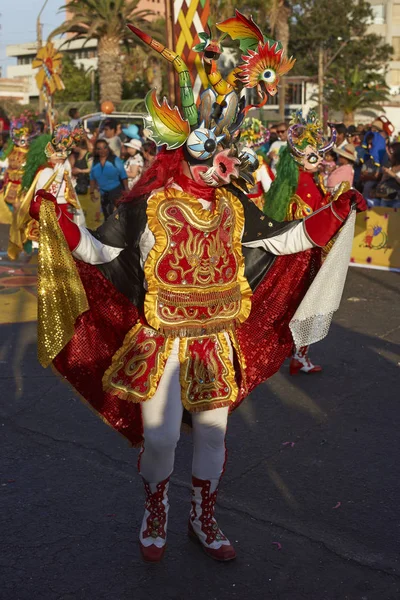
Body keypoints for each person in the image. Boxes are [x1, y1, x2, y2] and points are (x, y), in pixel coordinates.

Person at [29, 14, 366, 565]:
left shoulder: (235, 206)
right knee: (161, 440)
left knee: (214, 437)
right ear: (179, 156)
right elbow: (98, 253)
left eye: (219, 156)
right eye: (205, 156)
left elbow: (285, 241)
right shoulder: (146, 208)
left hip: (215, 338)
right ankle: (155, 509)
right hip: (163, 340)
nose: (218, 165)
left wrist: (336, 212)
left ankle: (203, 518)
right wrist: (60, 222)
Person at [264, 110, 350, 375]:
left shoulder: (302, 181)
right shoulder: (305, 185)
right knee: (307, 305)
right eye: (313, 153)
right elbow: (313, 222)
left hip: (297, 256)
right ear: (299, 157)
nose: (319, 158)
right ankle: (298, 356)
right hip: (304, 257)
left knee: (296, 305)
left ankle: (295, 354)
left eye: (318, 153)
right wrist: (338, 203)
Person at [7, 124, 86, 260]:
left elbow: (68, 190)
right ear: (49, 155)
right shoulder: (45, 172)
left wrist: (70, 183)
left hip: (66, 207)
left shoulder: (63, 166)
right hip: (53, 210)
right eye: (57, 154)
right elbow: (46, 196)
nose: (61, 156)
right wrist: (57, 180)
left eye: (64, 153)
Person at [0, 117, 35, 225]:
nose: (23, 142)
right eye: (21, 139)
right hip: (10, 185)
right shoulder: (10, 151)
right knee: (12, 207)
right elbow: (3, 164)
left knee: (21, 209)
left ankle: (20, 228)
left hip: (23, 186)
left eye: (25, 139)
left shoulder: (31, 153)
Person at [90, 139, 128, 217]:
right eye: (99, 148)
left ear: (108, 148)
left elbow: (123, 175)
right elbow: (92, 178)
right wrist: (91, 192)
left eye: (105, 147)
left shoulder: (114, 159)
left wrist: (127, 189)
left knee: (117, 216)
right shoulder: (95, 161)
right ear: (96, 150)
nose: (102, 150)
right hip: (104, 194)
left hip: (117, 192)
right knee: (107, 217)